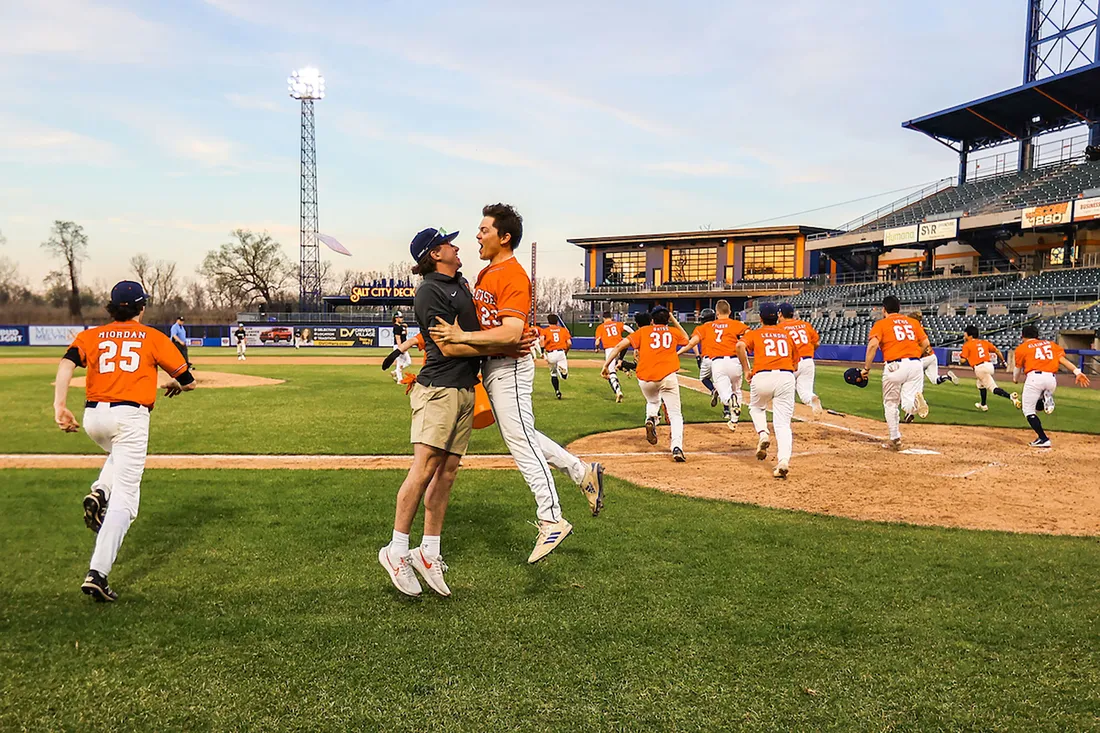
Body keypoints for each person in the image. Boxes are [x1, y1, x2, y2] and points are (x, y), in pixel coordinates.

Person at [430, 203, 605, 563]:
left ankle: (551, 518)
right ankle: (581, 471)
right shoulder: (486, 273)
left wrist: (471, 336)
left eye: (485, 230)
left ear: (504, 237)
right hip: (497, 365)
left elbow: (510, 332)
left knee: (521, 441)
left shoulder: (511, 274)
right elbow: (504, 329)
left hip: (508, 366)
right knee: (524, 434)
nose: (478, 235)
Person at [379, 228, 507, 596]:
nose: (457, 246)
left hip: (465, 388)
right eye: (449, 243)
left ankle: (429, 552)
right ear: (436, 254)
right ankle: (397, 550)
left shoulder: (460, 283)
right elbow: (447, 348)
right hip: (438, 389)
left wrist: (479, 341)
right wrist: (495, 345)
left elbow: (463, 337)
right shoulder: (430, 291)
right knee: (424, 469)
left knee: (447, 472)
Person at [53, 281, 196, 602]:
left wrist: (59, 406)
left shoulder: (91, 335)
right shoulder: (152, 337)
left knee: (117, 455)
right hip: (130, 418)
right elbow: (189, 381)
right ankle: (97, 573)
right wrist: (176, 383)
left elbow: (65, 364)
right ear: (141, 307)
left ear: (111, 307)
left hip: (94, 418)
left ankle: (101, 491)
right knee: (127, 503)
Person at [603, 307, 689, 461]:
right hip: (668, 376)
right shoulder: (673, 332)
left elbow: (618, 347)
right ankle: (677, 447)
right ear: (667, 319)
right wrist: (673, 320)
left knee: (652, 400)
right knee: (676, 414)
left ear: (652, 320)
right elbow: (687, 338)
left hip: (645, 377)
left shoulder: (643, 332)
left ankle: (650, 418)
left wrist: (606, 366)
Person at [737, 303, 798, 479]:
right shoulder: (786, 335)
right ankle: (783, 462)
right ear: (776, 317)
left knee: (756, 407)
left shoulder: (755, 334)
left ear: (761, 318)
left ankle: (763, 433)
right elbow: (796, 361)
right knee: (783, 424)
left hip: (762, 376)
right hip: (786, 376)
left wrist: (746, 370)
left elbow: (740, 347)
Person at [861, 295, 931, 451]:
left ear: (884, 310)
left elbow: (873, 346)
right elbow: (926, 344)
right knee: (907, 401)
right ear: (899, 308)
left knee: (891, 403)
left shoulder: (881, 324)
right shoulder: (913, 322)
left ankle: (895, 439)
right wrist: (914, 355)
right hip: (915, 364)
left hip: (895, 366)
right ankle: (915, 404)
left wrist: (866, 368)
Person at [1011, 324, 1090, 447]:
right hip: (1051, 379)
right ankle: (1045, 398)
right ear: (1037, 336)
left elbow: (1018, 368)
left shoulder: (1022, 348)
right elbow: (1063, 360)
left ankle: (1043, 438)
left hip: (1035, 378)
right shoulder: (1050, 345)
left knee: (1028, 411)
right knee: (1037, 406)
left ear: (1023, 336)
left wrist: (1015, 379)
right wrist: (1077, 372)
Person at [678, 300, 747, 431]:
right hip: (735, 361)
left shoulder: (706, 327)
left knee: (724, 393)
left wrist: (678, 353)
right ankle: (733, 421)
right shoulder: (737, 324)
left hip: (718, 363)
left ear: (717, 313)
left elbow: (692, 343)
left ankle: (729, 401)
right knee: (737, 390)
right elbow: (749, 337)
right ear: (730, 312)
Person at [778, 302, 823, 418]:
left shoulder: (780, 328)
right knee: (805, 392)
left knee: (784, 392)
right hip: (808, 361)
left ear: (780, 314)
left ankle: (785, 417)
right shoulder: (805, 325)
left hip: (790, 362)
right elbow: (816, 343)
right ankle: (812, 398)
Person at [959, 326, 1012, 411]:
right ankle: (983, 405)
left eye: (965, 335)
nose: (964, 336)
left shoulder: (967, 345)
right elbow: (997, 351)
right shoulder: (984, 342)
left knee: (993, 388)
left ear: (970, 336)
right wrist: (1003, 361)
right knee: (980, 384)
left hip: (980, 368)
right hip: (989, 366)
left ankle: (1011, 396)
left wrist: (960, 359)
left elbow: (963, 360)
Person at [593, 311, 631, 402]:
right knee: (619, 362)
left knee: (611, 372)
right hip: (620, 346)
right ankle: (627, 368)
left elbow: (597, 341)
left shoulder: (600, 327)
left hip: (610, 350)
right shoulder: (617, 324)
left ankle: (618, 391)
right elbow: (627, 328)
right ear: (611, 317)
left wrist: (597, 348)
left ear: (603, 318)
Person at [540, 314, 571, 399]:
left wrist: (542, 352)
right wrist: (566, 351)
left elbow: (542, 340)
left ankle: (557, 391)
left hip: (551, 353)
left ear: (548, 321)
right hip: (561, 352)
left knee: (553, 374)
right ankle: (563, 373)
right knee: (564, 376)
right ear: (557, 321)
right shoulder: (563, 330)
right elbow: (569, 343)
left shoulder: (545, 330)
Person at [390, 313, 412, 382]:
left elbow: (405, 335)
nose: (402, 318)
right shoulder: (396, 327)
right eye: (400, 317)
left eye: (402, 317)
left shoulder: (401, 326)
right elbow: (398, 338)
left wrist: (405, 328)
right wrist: (400, 348)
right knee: (400, 362)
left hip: (403, 346)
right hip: (399, 346)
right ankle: (400, 380)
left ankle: (395, 372)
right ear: (396, 318)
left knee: (408, 362)